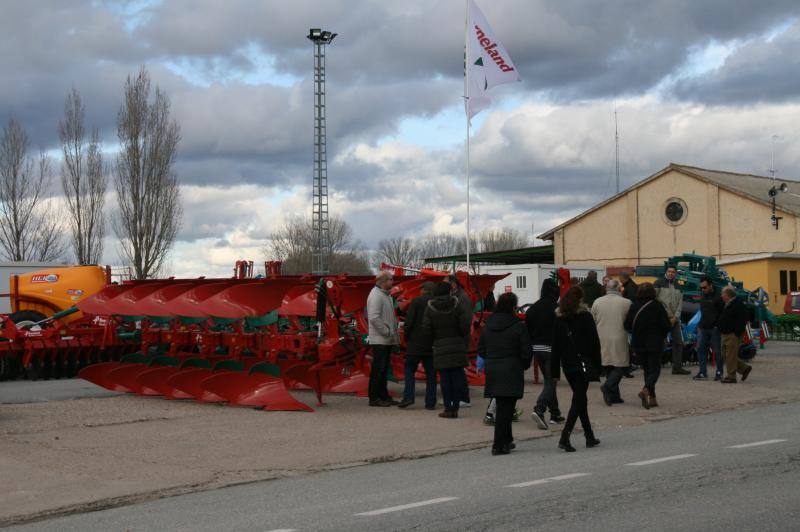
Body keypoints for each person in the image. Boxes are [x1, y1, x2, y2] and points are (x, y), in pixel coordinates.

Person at [478, 292, 532, 455]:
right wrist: (523, 365)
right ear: (513, 307)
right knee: (505, 408)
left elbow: (481, 349)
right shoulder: (518, 326)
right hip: (511, 367)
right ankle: (498, 444)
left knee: (504, 405)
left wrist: (492, 358)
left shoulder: (488, 325)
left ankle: (507, 440)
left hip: (493, 367)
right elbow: (526, 350)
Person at [551, 286, 602, 452]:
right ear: (580, 299)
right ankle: (565, 437)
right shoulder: (585, 316)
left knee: (581, 399)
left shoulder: (559, 319)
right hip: (583, 364)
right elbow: (594, 343)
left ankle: (589, 435)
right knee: (578, 400)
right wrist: (598, 365)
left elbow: (555, 346)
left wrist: (554, 371)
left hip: (567, 365)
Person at [423, 282, 470, 418]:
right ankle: (455, 407)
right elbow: (465, 326)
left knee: (444, 379)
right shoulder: (457, 305)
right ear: (449, 291)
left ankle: (448, 408)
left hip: (440, 347)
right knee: (457, 378)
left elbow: (426, 329)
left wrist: (434, 340)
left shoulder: (430, 308)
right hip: (456, 346)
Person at [525, 278, 564, 429]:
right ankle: (539, 409)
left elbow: (527, 330)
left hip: (537, 349)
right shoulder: (557, 309)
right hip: (552, 349)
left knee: (549, 380)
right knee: (551, 381)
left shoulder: (533, 309)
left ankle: (555, 413)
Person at [625, 282, 671, 409]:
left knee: (647, 370)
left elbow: (627, 325)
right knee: (655, 370)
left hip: (639, 343)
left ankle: (652, 398)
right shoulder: (657, 306)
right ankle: (646, 390)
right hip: (654, 343)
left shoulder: (634, 306)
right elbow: (666, 325)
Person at [591, 279, 632, 405]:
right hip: (619, 336)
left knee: (609, 365)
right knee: (621, 366)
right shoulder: (626, 302)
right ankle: (608, 386)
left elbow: (592, 319)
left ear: (607, 289)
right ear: (619, 289)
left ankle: (613, 396)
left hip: (601, 337)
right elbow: (629, 321)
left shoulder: (597, 301)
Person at [398, 281, 437, 410]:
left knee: (409, 370)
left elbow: (409, 322)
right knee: (431, 374)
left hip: (415, 343)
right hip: (431, 343)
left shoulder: (416, 301)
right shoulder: (436, 302)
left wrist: (407, 338)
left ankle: (408, 397)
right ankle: (430, 402)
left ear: (423, 290)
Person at [366, 271, 400, 407]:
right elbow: (374, 318)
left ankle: (383, 396)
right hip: (380, 339)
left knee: (383, 369)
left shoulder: (385, 296)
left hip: (385, 339)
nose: (392, 282)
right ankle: (374, 398)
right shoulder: (376, 296)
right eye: (390, 280)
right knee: (378, 369)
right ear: (383, 281)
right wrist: (386, 332)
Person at [654, 265, 689, 375]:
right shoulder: (658, 283)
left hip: (675, 319)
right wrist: (663, 317)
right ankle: (654, 367)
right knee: (658, 343)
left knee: (678, 342)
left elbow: (680, 303)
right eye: (669, 271)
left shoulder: (679, 285)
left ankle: (677, 368)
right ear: (666, 272)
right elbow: (654, 301)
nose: (671, 273)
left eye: (673, 272)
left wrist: (676, 317)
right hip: (662, 319)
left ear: (676, 273)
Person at [448, 273, 474, 408]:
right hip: (457, 339)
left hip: (459, 340)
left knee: (458, 370)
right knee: (455, 369)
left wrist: (457, 334)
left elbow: (465, 321)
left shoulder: (462, 298)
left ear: (454, 284)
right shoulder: (456, 296)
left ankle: (463, 398)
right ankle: (456, 397)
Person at [718, 286, 753, 384]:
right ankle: (744, 368)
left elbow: (743, 319)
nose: (721, 296)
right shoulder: (727, 303)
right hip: (725, 333)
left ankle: (731, 376)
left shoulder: (738, 304)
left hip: (732, 334)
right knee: (726, 355)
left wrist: (736, 333)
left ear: (728, 295)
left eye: (723, 294)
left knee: (730, 355)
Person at [694, 277, 724, 381]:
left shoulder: (719, 296)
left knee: (718, 351)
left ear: (711, 285)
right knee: (701, 350)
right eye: (701, 287)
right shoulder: (703, 295)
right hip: (703, 327)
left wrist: (717, 325)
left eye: (705, 287)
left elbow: (722, 313)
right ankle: (702, 372)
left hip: (714, 328)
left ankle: (719, 372)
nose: (703, 289)